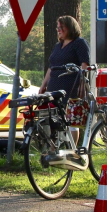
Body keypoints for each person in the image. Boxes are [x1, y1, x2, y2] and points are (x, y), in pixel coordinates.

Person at [38, 15, 90, 167]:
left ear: (70, 27)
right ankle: (54, 152)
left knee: (69, 121)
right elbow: (51, 66)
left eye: (62, 27)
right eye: (58, 27)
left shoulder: (79, 43)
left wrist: (81, 82)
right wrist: (43, 84)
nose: (59, 30)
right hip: (54, 86)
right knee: (53, 119)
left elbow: (84, 64)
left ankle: (72, 153)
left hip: (70, 86)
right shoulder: (57, 46)